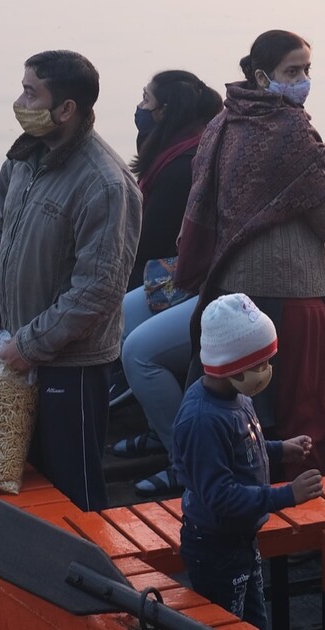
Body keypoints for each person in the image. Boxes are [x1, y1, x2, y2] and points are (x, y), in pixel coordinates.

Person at [175, 29, 325, 481]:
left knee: (242, 414)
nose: (302, 80)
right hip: (294, 300)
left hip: (231, 297)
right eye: (292, 71)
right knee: (307, 416)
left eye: (306, 70)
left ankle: (241, 500)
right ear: (263, 76)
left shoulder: (225, 122)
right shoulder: (288, 129)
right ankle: (308, 522)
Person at [0, 50, 141, 512]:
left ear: (66, 109)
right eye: (22, 88)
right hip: (16, 347)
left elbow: (98, 288)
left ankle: (94, 574)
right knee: (28, 477)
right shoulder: (23, 158)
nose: (20, 101)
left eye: (31, 92)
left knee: (74, 488)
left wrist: (30, 345)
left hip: (72, 363)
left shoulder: (105, 183)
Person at [172, 293, 323, 629]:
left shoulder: (236, 396)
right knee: (226, 621)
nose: (266, 372)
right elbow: (220, 495)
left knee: (255, 620)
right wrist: (286, 495)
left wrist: (280, 449)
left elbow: (242, 450)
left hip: (240, 539)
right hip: (214, 548)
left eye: (268, 362)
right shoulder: (203, 420)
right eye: (259, 364)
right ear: (227, 364)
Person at [107, 70, 223, 497]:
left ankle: (184, 459)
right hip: (186, 273)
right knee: (123, 316)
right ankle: (160, 427)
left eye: (146, 101)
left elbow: (148, 245)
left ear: (166, 111)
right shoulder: (173, 150)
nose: (140, 108)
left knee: (139, 351)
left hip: (213, 282)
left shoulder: (183, 165)